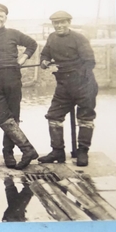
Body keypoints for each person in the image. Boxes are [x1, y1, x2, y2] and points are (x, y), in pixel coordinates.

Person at [0, 3, 39, 170]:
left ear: (5, 18)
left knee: (14, 116)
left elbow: (32, 44)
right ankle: (27, 150)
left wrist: (23, 58)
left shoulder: (14, 33)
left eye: (0, 16)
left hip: (12, 78)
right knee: (3, 117)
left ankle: (8, 153)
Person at [38, 11, 98, 167]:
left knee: (85, 117)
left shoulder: (79, 38)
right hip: (63, 86)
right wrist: (44, 61)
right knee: (53, 116)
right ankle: (57, 151)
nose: (59, 26)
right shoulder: (52, 38)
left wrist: (74, 74)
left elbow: (89, 62)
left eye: (62, 22)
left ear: (69, 23)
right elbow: (45, 53)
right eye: (56, 23)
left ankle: (82, 151)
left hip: (84, 84)